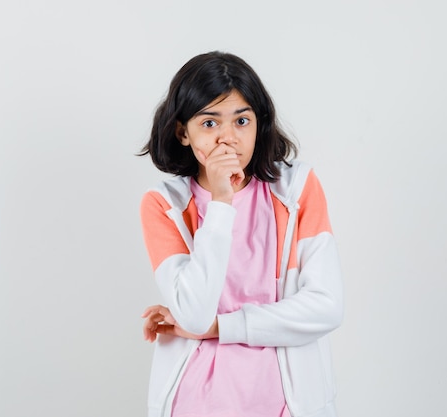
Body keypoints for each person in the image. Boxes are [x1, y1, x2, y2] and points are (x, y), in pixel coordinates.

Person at [138, 51, 343, 417]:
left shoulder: (296, 190)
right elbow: (195, 316)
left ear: (258, 125)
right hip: (196, 403)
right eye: (210, 124)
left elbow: (327, 306)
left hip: (288, 404)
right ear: (183, 132)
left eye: (242, 120)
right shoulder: (163, 205)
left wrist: (223, 327)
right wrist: (220, 202)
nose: (228, 139)